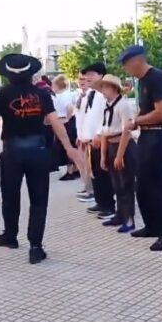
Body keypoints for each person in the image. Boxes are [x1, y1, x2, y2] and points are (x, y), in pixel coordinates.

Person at [0, 54, 82, 264]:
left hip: (12, 152)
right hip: (38, 151)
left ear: (8, 75)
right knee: (39, 199)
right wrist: (69, 147)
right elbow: (55, 122)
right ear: (31, 74)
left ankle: (10, 236)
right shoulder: (42, 94)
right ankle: (35, 247)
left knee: (10, 196)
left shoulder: (3, 94)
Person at [120, 45, 162, 249]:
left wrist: (137, 121)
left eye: (127, 64)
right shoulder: (142, 81)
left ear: (138, 60)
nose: (126, 69)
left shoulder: (156, 78)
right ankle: (152, 225)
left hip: (158, 134)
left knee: (157, 184)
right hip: (147, 135)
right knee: (143, 183)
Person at [96, 74, 137, 233]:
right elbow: (105, 131)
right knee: (116, 184)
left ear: (114, 88)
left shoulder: (123, 105)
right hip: (112, 144)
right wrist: (104, 155)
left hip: (123, 146)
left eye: (105, 87)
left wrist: (120, 155)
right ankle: (119, 215)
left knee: (126, 184)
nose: (103, 91)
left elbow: (126, 131)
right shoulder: (107, 106)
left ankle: (129, 218)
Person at [80, 62, 115, 220]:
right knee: (94, 173)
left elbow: (105, 118)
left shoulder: (103, 95)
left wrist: (99, 135)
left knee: (103, 173)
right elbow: (87, 117)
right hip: (89, 140)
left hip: (100, 140)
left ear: (101, 76)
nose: (88, 78)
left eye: (91, 75)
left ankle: (108, 205)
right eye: (86, 75)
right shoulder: (90, 94)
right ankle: (100, 201)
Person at [51, 74, 79, 181]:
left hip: (64, 122)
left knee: (65, 147)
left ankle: (71, 170)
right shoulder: (65, 94)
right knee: (68, 146)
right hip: (65, 121)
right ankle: (74, 169)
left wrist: (67, 119)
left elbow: (69, 108)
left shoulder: (64, 96)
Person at [74, 72, 95, 203]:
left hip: (89, 136)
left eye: (84, 79)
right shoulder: (80, 96)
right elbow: (79, 117)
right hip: (81, 134)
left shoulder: (91, 96)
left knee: (90, 166)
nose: (82, 82)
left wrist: (86, 135)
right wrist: (79, 135)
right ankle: (87, 188)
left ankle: (92, 191)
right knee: (84, 164)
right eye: (80, 79)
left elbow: (90, 118)